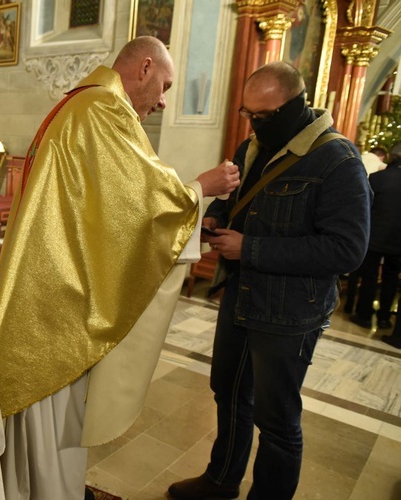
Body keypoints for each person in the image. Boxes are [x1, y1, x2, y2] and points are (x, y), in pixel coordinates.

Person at [0, 36, 240, 500]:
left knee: (45, 410)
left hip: (49, 280)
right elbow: (146, 202)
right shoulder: (103, 110)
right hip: (59, 293)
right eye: (165, 85)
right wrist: (202, 187)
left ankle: (30, 487)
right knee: (53, 405)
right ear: (144, 67)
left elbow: (113, 206)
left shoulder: (78, 105)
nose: (162, 100)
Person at [168, 61, 371, 500]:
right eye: (249, 115)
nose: (256, 125)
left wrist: (251, 249)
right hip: (241, 295)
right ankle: (221, 480)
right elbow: (236, 200)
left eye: (265, 116)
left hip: (289, 311)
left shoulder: (338, 160)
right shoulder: (252, 146)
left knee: (277, 420)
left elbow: (346, 251)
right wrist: (216, 219)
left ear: (297, 105)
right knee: (228, 393)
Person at [350, 142, 401, 330]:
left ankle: (363, 315)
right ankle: (384, 318)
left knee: (369, 276)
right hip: (398, 241)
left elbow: (364, 207)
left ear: (391, 157)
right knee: (391, 278)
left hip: (375, 236)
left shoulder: (379, 178)